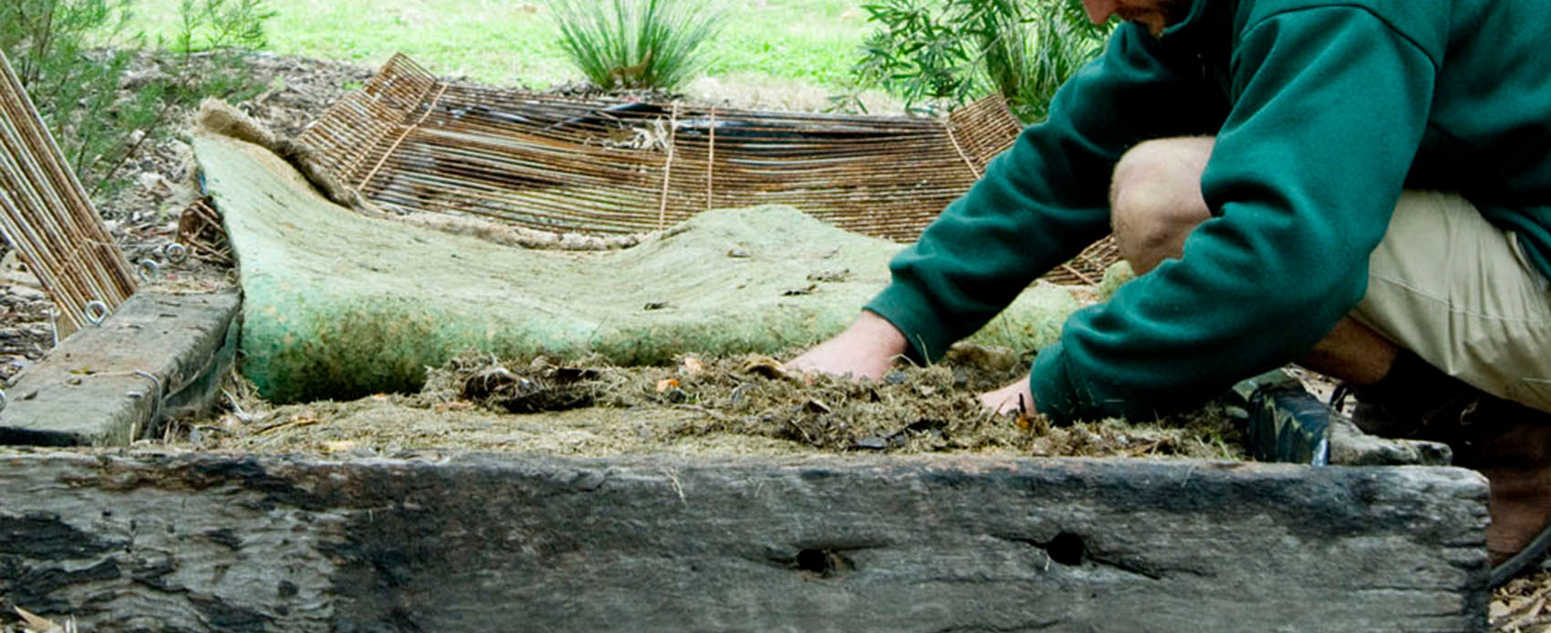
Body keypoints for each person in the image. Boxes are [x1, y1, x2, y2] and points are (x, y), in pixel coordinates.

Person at [787, 0, 1551, 586]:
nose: (1092, 11)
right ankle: (1470, 401)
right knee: (1171, 187)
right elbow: (1072, 156)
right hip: (1511, 215)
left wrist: (1047, 393)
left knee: (1180, 205)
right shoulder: (1194, 6)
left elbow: (1281, 267)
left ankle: (1513, 441)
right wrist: (886, 328)